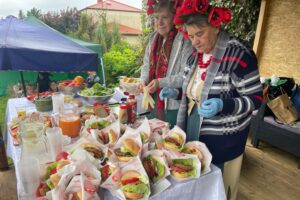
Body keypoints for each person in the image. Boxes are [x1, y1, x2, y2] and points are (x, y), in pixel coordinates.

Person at [160, 1, 263, 199]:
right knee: (195, 184)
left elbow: (256, 98)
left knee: (217, 188)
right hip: (191, 130)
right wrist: (177, 93)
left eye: (200, 34)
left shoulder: (239, 54)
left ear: (216, 26)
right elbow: (194, 92)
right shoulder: (194, 58)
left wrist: (224, 104)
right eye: (190, 36)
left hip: (223, 139)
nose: (195, 42)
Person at [138, 0, 193, 127]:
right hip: (153, 102)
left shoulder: (185, 41)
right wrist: (143, 81)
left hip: (173, 104)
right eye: (156, 18)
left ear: (174, 18)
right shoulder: (153, 39)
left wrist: (160, 82)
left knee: (170, 142)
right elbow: (146, 66)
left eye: (164, 17)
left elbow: (186, 75)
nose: (159, 23)